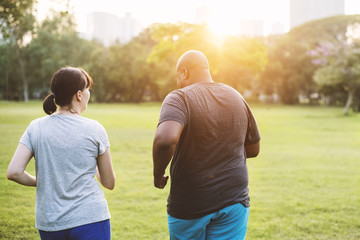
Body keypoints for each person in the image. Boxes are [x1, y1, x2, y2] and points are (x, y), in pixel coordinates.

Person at [152, 50, 260, 240]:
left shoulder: (179, 98)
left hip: (191, 201)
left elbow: (165, 140)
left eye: (178, 76)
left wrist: (158, 174)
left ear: (184, 72)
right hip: (234, 199)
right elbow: (253, 149)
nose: (177, 82)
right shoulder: (236, 96)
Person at [7, 66, 116, 240]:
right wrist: (93, 166)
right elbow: (109, 182)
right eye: (88, 89)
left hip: (50, 223)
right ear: (79, 95)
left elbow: (13, 172)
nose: (89, 93)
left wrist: (42, 182)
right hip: (91, 218)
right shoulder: (95, 129)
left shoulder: (35, 127)